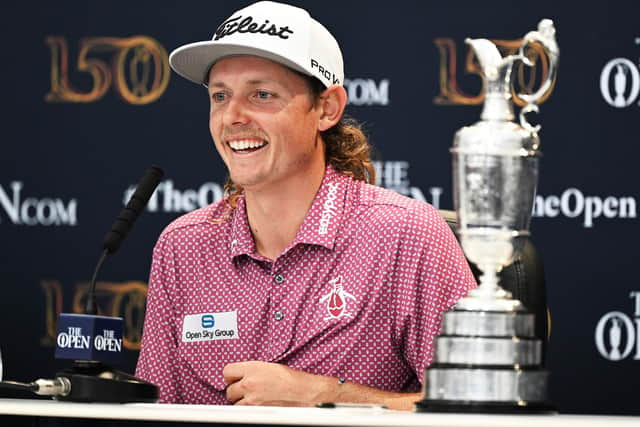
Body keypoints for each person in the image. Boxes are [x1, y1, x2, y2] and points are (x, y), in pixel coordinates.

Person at [136, 0, 476, 411]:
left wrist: (327, 396)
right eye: (220, 95)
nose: (232, 116)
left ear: (326, 108)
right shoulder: (182, 247)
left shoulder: (405, 234)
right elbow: (154, 412)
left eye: (262, 94)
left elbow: (472, 407)